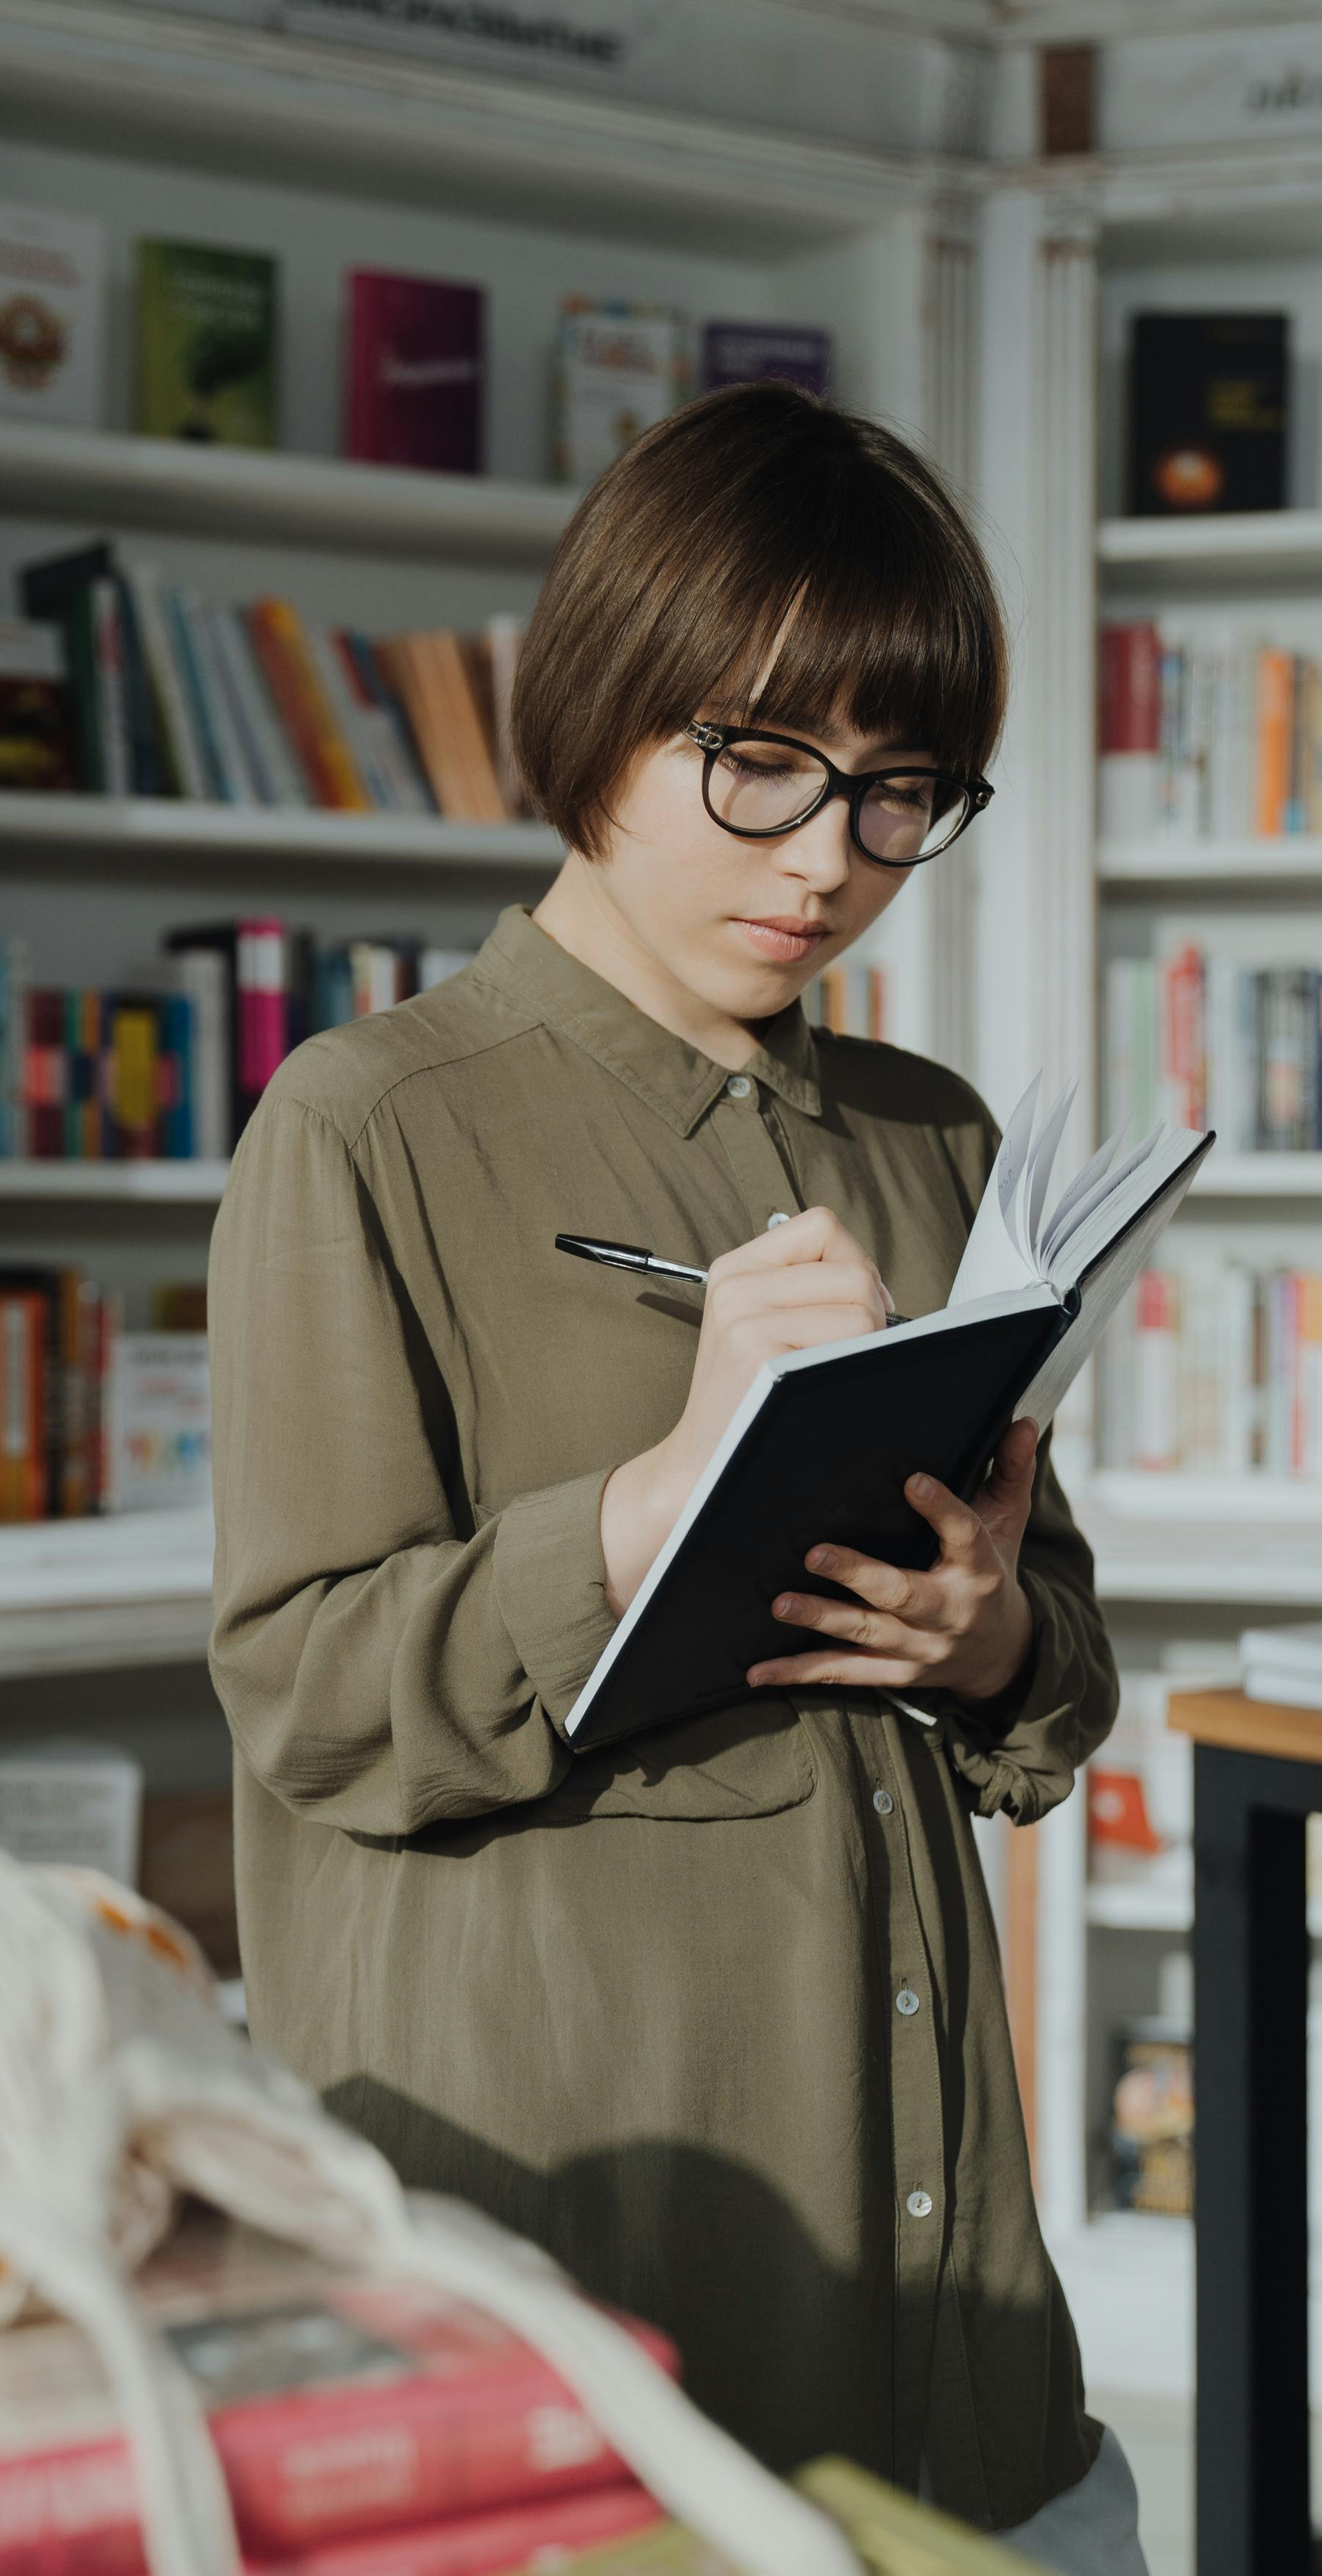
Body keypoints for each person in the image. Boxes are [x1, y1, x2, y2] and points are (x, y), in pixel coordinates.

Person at [208, 384, 1144, 2573]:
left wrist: (990, 1630)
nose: (826, 858)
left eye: (901, 793)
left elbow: (1057, 1680)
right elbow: (309, 1693)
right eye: (763, 763)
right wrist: (651, 1500)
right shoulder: (371, 1124)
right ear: (604, 710)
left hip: (953, 2299)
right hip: (599, 2270)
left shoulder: (933, 1141)